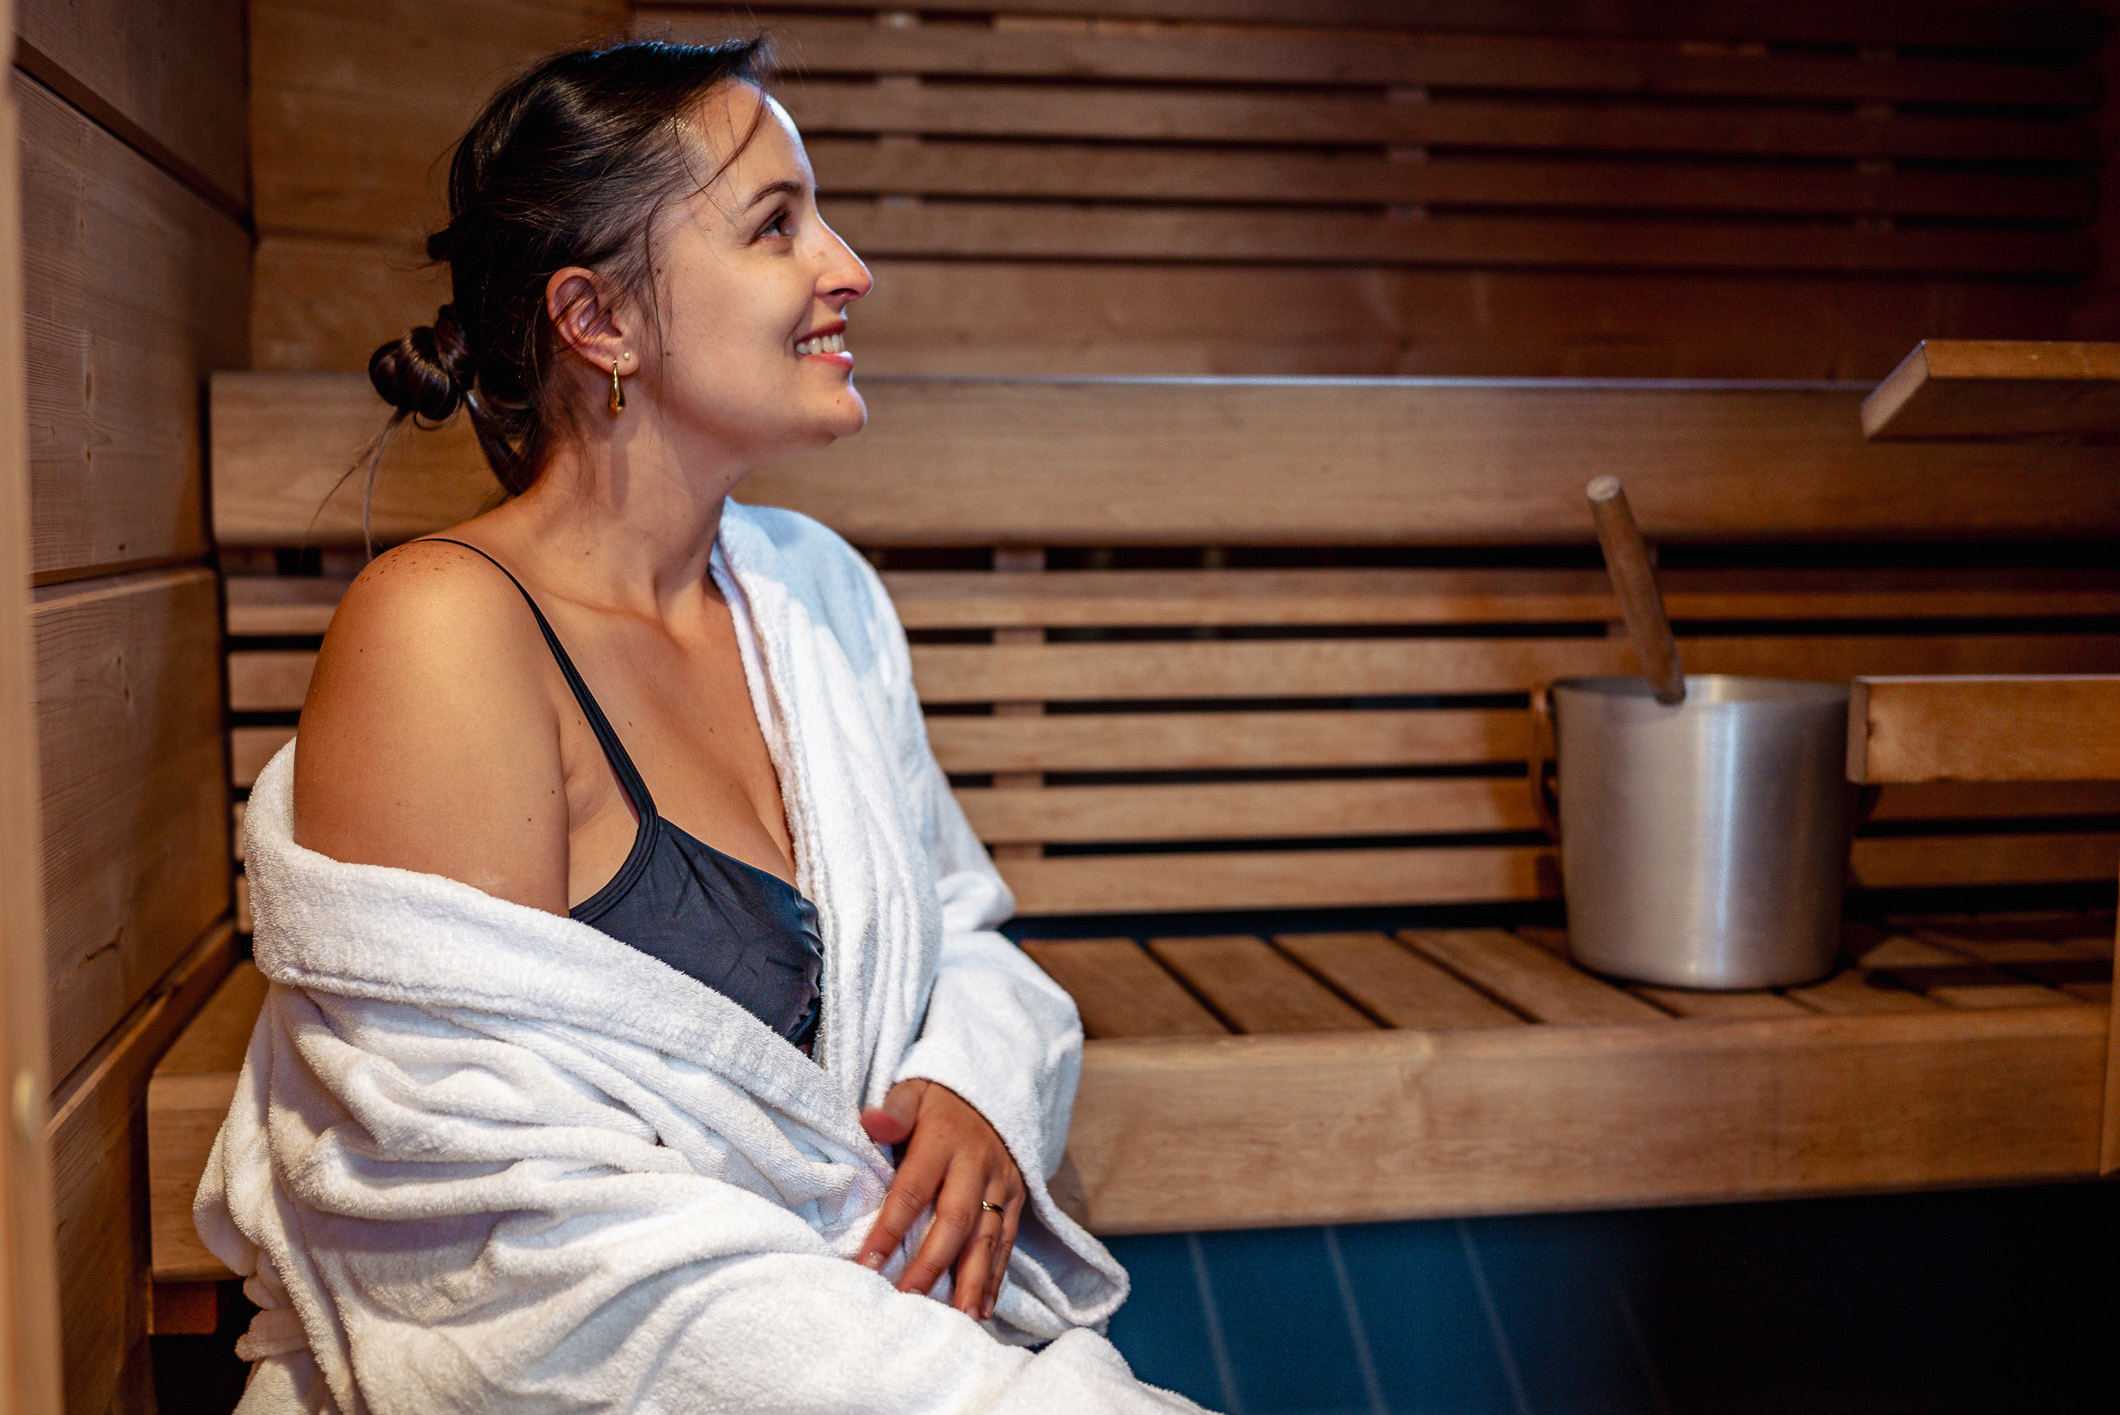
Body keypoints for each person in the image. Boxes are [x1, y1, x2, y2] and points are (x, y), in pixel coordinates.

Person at [195, 37, 1203, 1414]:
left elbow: (955, 927)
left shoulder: (812, 595)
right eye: (776, 225)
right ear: (598, 321)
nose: (846, 269)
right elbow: (487, 1225)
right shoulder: (446, 630)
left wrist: (968, 1082)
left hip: (863, 1331)